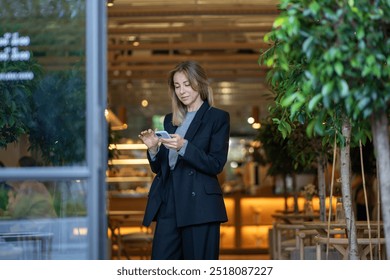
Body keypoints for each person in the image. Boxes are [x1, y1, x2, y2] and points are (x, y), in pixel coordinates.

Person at [138, 60, 230, 260]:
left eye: (187, 84)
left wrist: (184, 147)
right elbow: (162, 168)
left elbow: (216, 163)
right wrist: (153, 149)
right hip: (169, 201)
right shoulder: (170, 120)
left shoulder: (217, 118)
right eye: (177, 86)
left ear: (200, 83)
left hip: (200, 205)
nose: (182, 91)